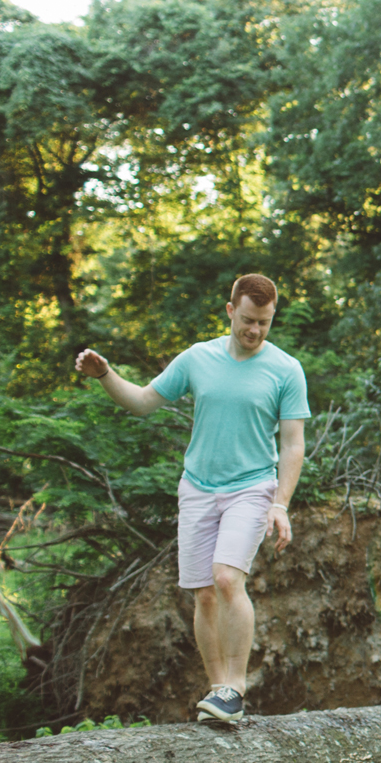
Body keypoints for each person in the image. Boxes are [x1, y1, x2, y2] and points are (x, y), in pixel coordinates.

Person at [73, 273, 309, 723]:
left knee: (225, 579)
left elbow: (293, 444)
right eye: (246, 320)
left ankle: (236, 688)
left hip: (251, 487)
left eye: (263, 322)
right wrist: (105, 374)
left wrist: (280, 503)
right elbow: (142, 402)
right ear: (229, 311)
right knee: (202, 594)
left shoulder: (285, 369)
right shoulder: (197, 359)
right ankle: (217, 690)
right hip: (198, 488)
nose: (254, 331)